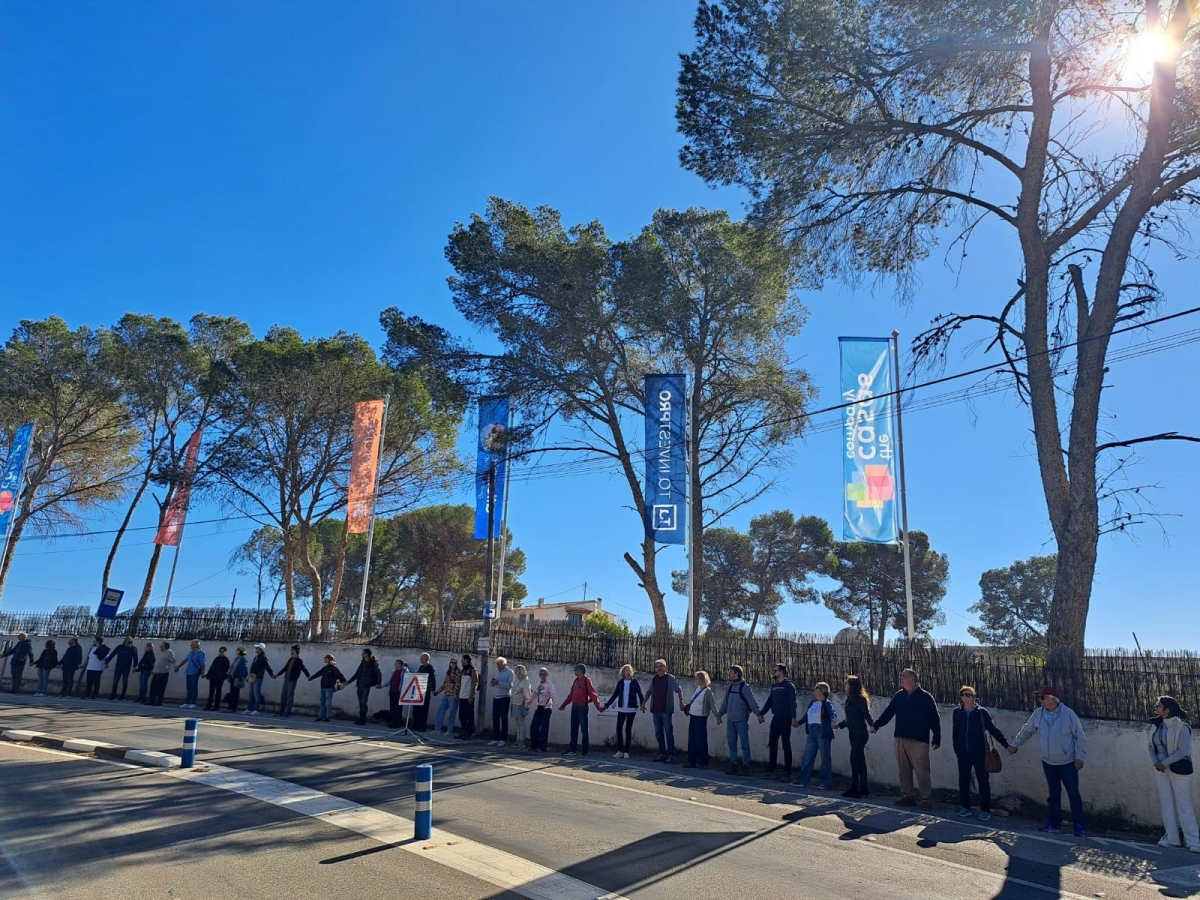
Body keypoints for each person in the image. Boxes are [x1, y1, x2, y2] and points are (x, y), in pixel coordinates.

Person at [1008, 686, 1088, 836]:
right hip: (1048, 762)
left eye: (1043, 698)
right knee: (1054, 794)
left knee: (1073, 793)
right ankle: (1054, 822)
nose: (1041, 701)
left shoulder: (1068, 714)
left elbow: (1081, 737)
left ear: (1052, 699)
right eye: (1040, 698)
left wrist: (1080, 757)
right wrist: (1015, 745)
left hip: (1067, 762)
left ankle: (1078, 825)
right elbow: (1027, 730)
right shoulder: (1038, 714)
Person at [871, 668, 941, 810]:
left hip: (919, 740)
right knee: (903, 770)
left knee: (922, 771)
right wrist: (876, 725)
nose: (901, 679)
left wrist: (937, 737)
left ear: (912, 680)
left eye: (903, 677)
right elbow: (888, 713)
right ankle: (907, 796)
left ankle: (926, 799)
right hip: (900, 738)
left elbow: (934, 718)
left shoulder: (925, 697)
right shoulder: (899, 696)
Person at [1148, 696, 1199, 852]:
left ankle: (1193, 840)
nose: (1156, 707)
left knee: (1184, 804)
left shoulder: (1182, 727)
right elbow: (1150, 745)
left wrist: (1165, 763)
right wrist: (1156, 762)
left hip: (1179, 769)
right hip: (1161, 769)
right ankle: (1172, 838)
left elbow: (1183, 751)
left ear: (1167, 710)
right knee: (1166, 802)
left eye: (1159, 705)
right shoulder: (1156, 725)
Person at [952, 686, 1009, 821]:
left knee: (983, 780)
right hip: (963, 752)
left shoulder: (981, 713)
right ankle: (965, 807)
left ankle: (985, 809)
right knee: (964, 779)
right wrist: (957, 748)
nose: (970, 697)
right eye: (967, 695)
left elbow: (993, 730)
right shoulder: (957, 713)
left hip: (980, 752)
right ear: (962, 698)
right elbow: (955, 732)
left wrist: (1006, 745)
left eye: (972, 695)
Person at [716, 665, 761, 776]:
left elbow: (752, 702)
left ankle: (745, 766)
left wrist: (758, 714)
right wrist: (719, 715)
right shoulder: (730, 687)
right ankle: (734, 764)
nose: (729, 673)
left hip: (741, 721)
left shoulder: (744, 687)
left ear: (736, 673)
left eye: (731, 671)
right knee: (732, 743)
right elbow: (725, 703)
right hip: (731, 721)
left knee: (744, 744)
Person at [795, 681, 839, 789]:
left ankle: (825, 782)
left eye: (816, 688)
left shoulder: (827, 703)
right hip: (812, 730)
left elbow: (832, 713)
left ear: (822, 690)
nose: (814, 690)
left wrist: (834, 721)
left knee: (825, 757)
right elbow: (807, 716)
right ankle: (802, 780)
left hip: (822, 731)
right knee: (808, 756)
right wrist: (798, 723)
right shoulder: (812, 703)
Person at [760, 664, 798, 782]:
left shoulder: (789, 686)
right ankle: (772, 767)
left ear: (781, 672)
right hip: (776, 718)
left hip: (786, 719)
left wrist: (793, 717)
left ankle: (787, 770)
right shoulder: (775, 686)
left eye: (775, 670)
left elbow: (793, 703)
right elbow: (769, 701)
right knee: (772, 743)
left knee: (786, 744)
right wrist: (761, 713)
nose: (774, 672)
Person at [838, 675, 875, 798]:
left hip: (860, 733)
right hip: (853, 732)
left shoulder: (859, 699)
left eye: (847, 683)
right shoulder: (850, 698)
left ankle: (855, 787)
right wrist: (839, 725)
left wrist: (872, 725)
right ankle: (862, 788)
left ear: (852, 685)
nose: (845, 685)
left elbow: (866, 714)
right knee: (860, 760)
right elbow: (850, 718)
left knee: (854, 758)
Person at [642, 659, 684, 763]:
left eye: (661, 666)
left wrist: (681, 702)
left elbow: (679, 690)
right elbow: (649, 692)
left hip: (666, 710)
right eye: (657, 666)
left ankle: (672, 755)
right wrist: (643, 704)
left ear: (665, 668)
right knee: (658, 733)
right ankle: (662, 754)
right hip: (655, 710)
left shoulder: (670, 678)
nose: (659, 668)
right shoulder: (654, 679)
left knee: (669, 732)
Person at [559, 663, 602, 756]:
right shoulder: (576, 681)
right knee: (573, 730)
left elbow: (593, 694)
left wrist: (598, 706)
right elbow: (571, 695)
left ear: (581, 670)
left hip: (582, 707)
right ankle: (572, 749)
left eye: (576, 669)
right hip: (574, 707)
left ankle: (585, 751)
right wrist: (564, 705)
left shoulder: (586, 680)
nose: (575, 671)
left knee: (584, 730)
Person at [603, 664, 644, 759]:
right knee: (618, 729)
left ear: (632, 672)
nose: (628, 672)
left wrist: (642, 705)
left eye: (629, 670)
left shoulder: (635, 682)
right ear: (623, 672)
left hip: (631, 709)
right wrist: (606, 705)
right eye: (626, 670)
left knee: (628, 729)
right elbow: (615, 695)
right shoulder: (620, 683)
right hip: (622, 708)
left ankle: (627, 751)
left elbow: (640, 694)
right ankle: (620, 750)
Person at [683, 671, 718, 769]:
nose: (696, 680)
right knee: (692, 740)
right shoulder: (697, 689)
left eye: (697, 678)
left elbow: (712, 705)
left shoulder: (707, 691)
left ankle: (703, 762)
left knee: (701, 740)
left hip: (701, 717)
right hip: (693, 716)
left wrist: (718, 716)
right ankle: (691, 761)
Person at [308, 653, 346, 722]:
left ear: (330, 659)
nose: (325, 659)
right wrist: (311, 678)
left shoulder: (334, 668)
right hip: (323, 687)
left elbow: (340, 675)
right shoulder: (325, 668)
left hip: (329, 687)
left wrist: (344, 681)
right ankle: (321, 716)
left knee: (328, 703)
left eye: (326, 658)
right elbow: (319, 673)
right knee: (322, 702)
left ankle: (327, 717)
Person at [349, 648, 383, 726]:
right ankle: (361, 719)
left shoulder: (373, 663)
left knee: (363, 702)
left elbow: (378, 673)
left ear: (367, 654)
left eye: (363, 653)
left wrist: (378, 683)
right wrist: (349, 682)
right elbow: (357, 674)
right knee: (361, 703)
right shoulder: (362, 663)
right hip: (359, 685)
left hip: (366, 685)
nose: (362, 654)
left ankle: (362, 720)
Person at [274, 645, 310, 718]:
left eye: (292, 650)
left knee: (290, 696)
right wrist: (277, 675)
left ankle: (288, 713)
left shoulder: (299, 660)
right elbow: (285, 668)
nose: (291, 651)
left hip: (292, 680)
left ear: (296, 651)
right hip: (286, 679)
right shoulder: (290, 659)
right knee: (283, 696)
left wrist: (308, 676)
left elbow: (304, 668)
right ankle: (281, 712)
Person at [488, 656, 516, 746]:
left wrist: (498, 683)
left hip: (504, 697)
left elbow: (510, 685)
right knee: (495, 718)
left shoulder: (510, 672)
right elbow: (491, 683)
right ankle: (495, 738)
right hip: (496, 697)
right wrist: (492, 683)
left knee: (503, 718)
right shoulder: (496, 672)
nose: (498, 667)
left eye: (500, 665)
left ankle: (503, 739)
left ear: (504, 664)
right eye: (497, 665)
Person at [529, 667, 557, 753]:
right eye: (541, 674)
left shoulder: (550, 685)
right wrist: (528, 703)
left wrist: (558, 705)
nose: (543, 676)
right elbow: (533, 695)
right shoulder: (538, 685)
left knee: (543, 729)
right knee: (533, 728)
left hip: (546, 708)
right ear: (539, 675)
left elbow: (553, 696)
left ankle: (542, 747)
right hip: (539, 707)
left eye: (544, 674)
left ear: (547, 675)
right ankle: (534, 745)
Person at [106, 637, 139, 701]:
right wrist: (107, 662)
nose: (130, 644)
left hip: (126, 667)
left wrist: (134, 666)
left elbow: (135, 658)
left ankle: (122, 696)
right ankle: (113, 695)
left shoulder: (133, 648)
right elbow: (112, 654)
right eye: (129, 642)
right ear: (125, 642)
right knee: (115, 681)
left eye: (131, 642)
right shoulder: (120, 647)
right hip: (118, 667)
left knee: (124, 682)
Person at [175, 640, 206, 709]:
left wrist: (202, 672)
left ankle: (193, 702)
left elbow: (203, 663)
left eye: (191, 644)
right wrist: (178, 666)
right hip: (188, 671)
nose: (190, 646)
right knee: (188, 687)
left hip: (195, 672)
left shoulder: (201, 653)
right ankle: (187, 702)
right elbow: (186, 660)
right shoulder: (191, 653)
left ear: (196, 645)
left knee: (194, 687)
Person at [434, 657, 461, 735]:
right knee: (440, 711)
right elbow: (444, 684)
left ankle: (449, 730)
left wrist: (456, 695)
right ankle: (438, 729)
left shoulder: (458, 672)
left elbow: (458, 685)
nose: (453, 664)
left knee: (452, 713)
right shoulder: (448, 672)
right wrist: (438, 692)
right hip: (446, 694)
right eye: (452, 662)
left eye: (455, 663)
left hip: (453, 695)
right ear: (450, 663)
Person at [509, 664, 534, 750]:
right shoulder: (516, 680)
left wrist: (527, 704)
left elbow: (528, 695)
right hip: (514, 703)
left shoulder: (526, 681)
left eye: (517, 671)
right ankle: (518, 739)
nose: (515, 673)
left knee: (521, 723)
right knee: (517, 723)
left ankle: (522, 741)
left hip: (521, 703)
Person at [245, 643, 274, 716]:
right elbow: (253, 667)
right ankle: (249, 708)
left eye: (257, 648)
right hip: (252, 677)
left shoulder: (263, 657)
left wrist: (271, 674)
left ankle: (256, 709)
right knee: (251, 693)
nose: (256, 649)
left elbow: (267, 666)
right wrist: (249, 676)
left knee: (256, 693)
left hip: (258, 677)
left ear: (260, 649)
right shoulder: (256, 657)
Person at [413, 653, 437, 731]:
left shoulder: (430, 668)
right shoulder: (421, 667)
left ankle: (422, 726)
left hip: (425, 691)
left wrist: (433, 689)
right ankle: (416, 725)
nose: (420, 659)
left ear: (426, 659)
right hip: (418, 690)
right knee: (416, 708)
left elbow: (432, 679)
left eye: (422, 658)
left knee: (424, 709)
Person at [457, 654, 478, 739]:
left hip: (468, 697)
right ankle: (464, 731)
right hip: (462, 696)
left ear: (466, 661)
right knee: (461, 716)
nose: (461, 661)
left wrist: (471, 696)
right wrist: (457, 694)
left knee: (469, 716)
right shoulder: (463, 671)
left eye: (462, 660)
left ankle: (470, 733)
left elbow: (474, 684)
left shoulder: (473, 670)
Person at [203, 646, 231, 711]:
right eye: (220, 651)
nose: (221, 653)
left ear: (225, 652)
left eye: (222, 652)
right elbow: (212, 667)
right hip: (213, 678)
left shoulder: (226, 660)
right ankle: (208, 706)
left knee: (218, 692)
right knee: (211, 692)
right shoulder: (216, 658)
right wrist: (208, 675)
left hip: (220, 679)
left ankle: (216, 706)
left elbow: (227, 670)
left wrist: (224, 677)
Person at [149, 641, 175, 706]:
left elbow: (173, 661)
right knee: (153, 688)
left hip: (163, 673)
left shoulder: (169, 653)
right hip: (156, 673)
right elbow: (157, 662)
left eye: (162, 646)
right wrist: (153, 669)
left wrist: (176, 667)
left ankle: (158, 702)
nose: (160, 647)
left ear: (165, 647)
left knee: (160, 689)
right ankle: (151, 701)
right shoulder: (160, 653)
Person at [227, 647, 249, 712]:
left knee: (235, 693)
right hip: (233, 676)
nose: (236, 651)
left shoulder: (243, 659)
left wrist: (242, 677)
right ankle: (230, 707)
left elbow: (244, 668)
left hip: (238, 677)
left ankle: (233, 708)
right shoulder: (236, 658)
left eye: (238, 650)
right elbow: (233, 667)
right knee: (232, 693)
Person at [388, 659, 408, 727]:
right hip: (392, 691)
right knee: (392, 708)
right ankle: (393, 722)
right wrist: (383, 685)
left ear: (400, 665)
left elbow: (406, 681)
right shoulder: (394, 672)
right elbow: (390, 681)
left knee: (398, 708)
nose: (395, 665)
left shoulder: (405, 672)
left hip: (399, 692)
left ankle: (397, 723)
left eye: (396, 664)